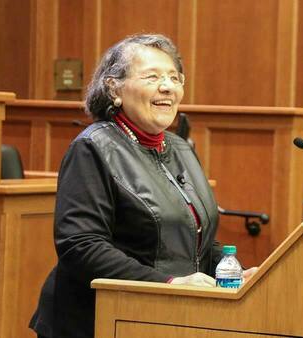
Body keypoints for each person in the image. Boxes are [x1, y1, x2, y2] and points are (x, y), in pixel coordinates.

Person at [29, 33, 256, 338]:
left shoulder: (181, 149)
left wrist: (231, 275)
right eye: (152, 76)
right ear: (114, 88)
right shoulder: (93, 148)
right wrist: (168, 283)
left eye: (175, 78)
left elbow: (197, 237)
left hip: (166, 317)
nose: (167, 86)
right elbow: (81, 246)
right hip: (98, 321)